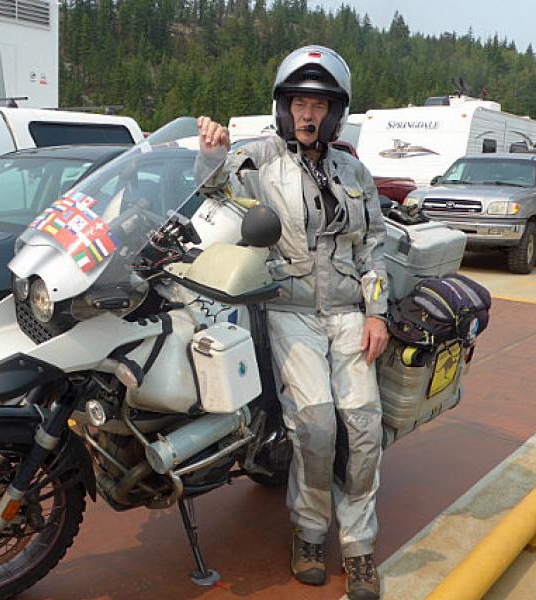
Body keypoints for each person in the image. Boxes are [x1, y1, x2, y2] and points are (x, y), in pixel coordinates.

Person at [197, 45, 389, 600]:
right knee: (316, 425)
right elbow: (214, 196)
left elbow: (372, 247)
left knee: (364, 429)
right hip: (292, 312)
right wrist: (209, 154)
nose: (310, 115)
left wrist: (375, 312)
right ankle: (309, 533)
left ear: (336, 113)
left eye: (321, 105)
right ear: (284, 106)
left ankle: (358, 547)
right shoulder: (255, 159)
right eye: (300, 103)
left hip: (349, 314)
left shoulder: (352, 169)